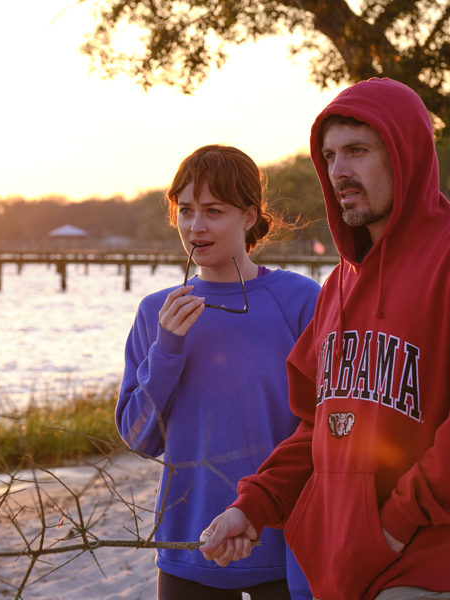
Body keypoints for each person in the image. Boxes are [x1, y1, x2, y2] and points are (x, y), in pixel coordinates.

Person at [199, 78, 450, 600]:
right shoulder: (341, 283)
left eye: (357, 151)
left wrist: (395, 525)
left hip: (422, 565)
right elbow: (318, 426)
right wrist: (254, 505)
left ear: (405, 153)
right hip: (340, 569)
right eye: (329, 155)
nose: (338, 170)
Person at [117, 144, 320, 599]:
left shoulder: (301, 300)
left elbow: (323, 427)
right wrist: (167, 349)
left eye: (213, 211)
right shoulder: (157, 312)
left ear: (249, 216)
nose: (196, 226)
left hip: (287, 545)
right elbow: (138, 437)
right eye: (185, 210)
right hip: (190, 548)